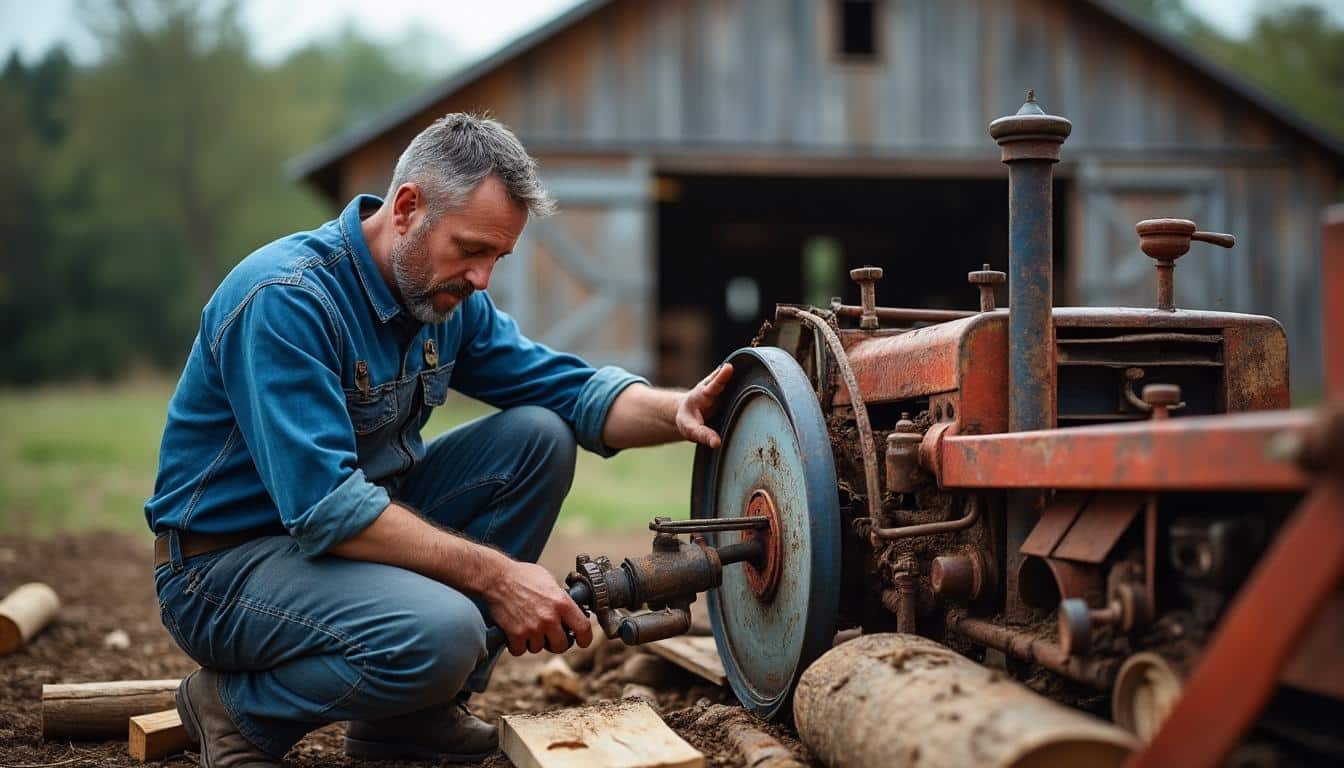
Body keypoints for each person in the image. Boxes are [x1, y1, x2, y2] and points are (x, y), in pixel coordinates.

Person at [145, 113, 734, 767]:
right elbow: (326, 509)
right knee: (444, 633)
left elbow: (570, 392)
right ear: (406, 208)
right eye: (471, 249)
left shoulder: (446, 301)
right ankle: (235, 710)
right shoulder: (286, 299)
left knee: (539, 436)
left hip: (342, 547)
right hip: (224, 570)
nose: (482, 278)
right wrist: (501, 579)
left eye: (497, 258)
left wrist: (678, 408)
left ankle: (412, 723)